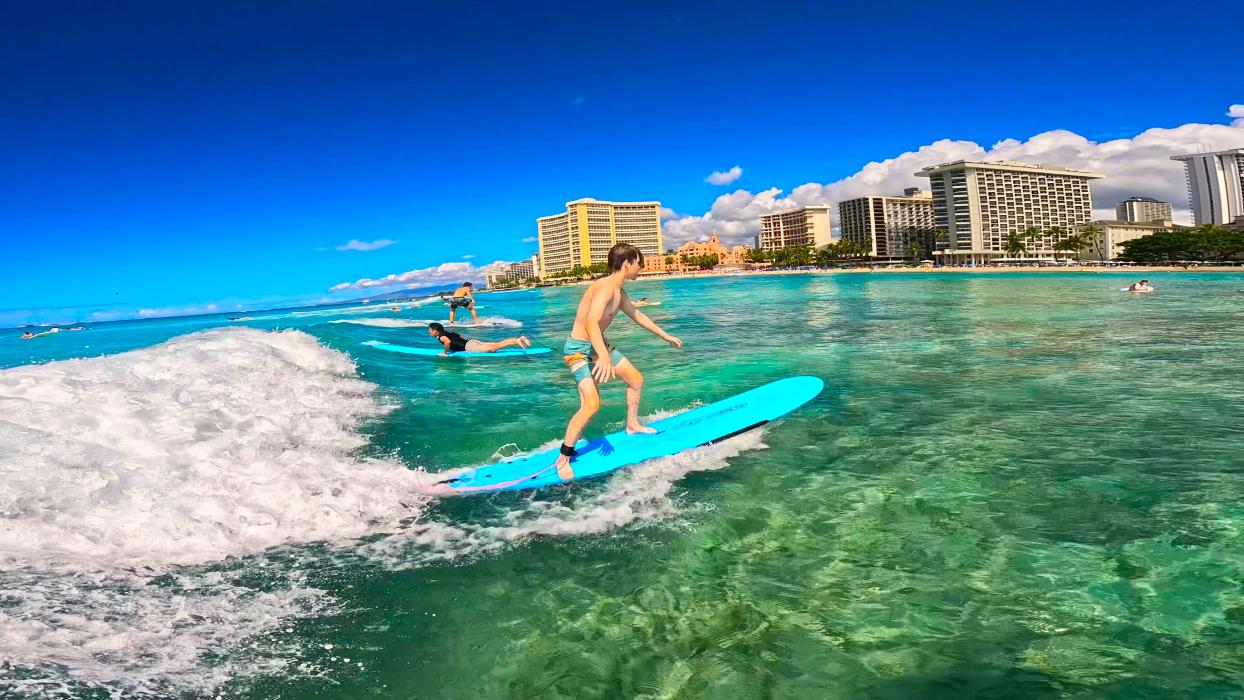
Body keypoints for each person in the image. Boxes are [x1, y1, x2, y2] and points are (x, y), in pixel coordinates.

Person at [554, 242, 682, 479]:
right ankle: (563, 458)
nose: (640, 269)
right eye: (638, 264)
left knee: (635, 379)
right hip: (579, 349)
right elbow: (591, 322)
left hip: (598, 344)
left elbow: (638, 315)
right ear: (627, 263)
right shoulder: (603, 287)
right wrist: (603, 356)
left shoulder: (620, 293)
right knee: (591, 404)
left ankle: (632, 425)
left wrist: (666, 336)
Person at [428, 322, 530, 355]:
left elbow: (447, 341)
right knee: (496, 345)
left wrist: (445, 352)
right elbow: (459, 336)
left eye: (430, 330)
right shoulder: (447, 332)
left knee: (495, 347)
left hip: (470, 347)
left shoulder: (441, 336)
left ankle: (517, 341)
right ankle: (518, 339)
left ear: (435, 331)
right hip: (471, 342)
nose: (429, 332)